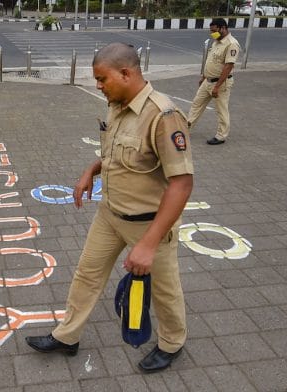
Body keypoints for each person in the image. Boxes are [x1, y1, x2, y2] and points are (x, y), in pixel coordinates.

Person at [25, 43, 194, 373]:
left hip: (149, 225)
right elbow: (117, 154)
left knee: (164, 291)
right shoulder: (117, 104)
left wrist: (147, 245)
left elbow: (182, 184)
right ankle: (67, 336)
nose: (98, 86)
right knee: (86, 275)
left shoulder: (164, 116)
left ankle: (172, 343)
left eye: (102, 79)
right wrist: (92, 168)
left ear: (126, 73)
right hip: (110, 213)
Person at [187, 18, 241, 145]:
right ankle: (186, 128)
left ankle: (221, 136)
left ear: (223, 28)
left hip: (220, 83)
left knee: (221, 110)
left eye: (214, 31)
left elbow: (228, 67)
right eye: (211, 31)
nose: (212, 34)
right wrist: (204, 77)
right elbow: (212, 61)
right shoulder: (216, 41)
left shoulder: (231, 44)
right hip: (208, 81)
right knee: (196, 104)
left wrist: (217, 86)